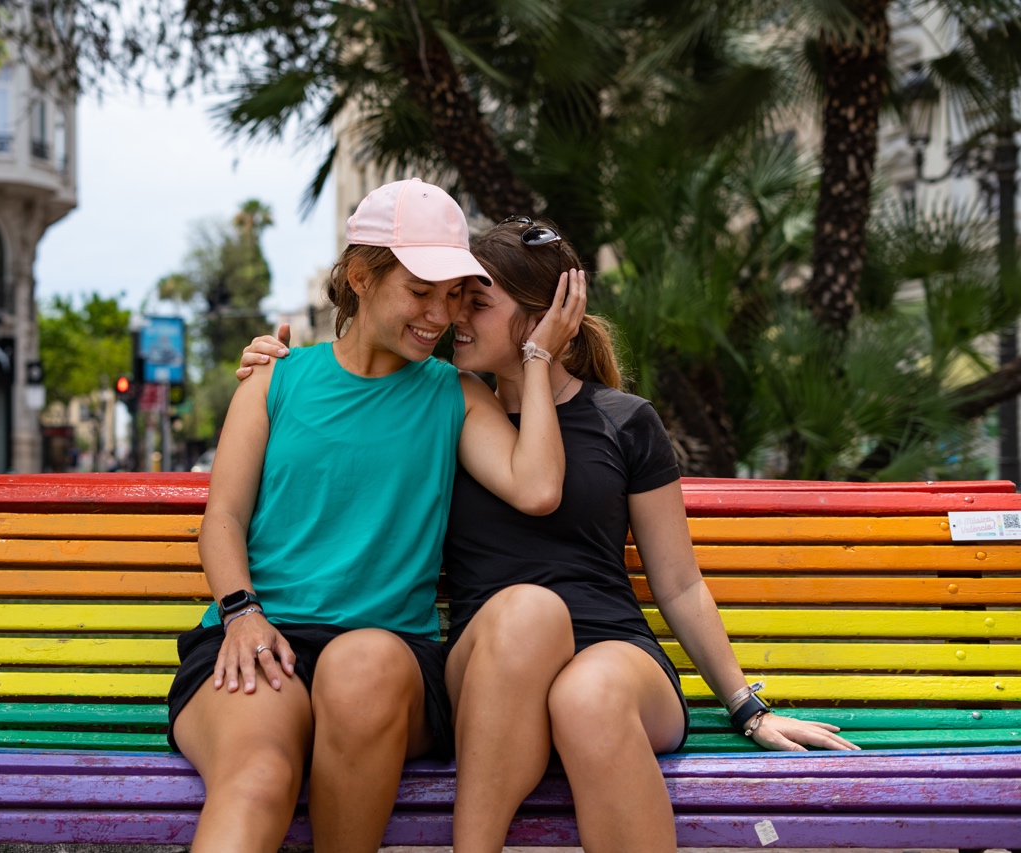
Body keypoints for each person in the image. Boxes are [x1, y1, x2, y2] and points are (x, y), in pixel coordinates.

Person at [239, 215, 858, 852]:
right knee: (527, 612)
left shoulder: (625, 421)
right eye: (453, 299)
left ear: (544, 315)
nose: (455, 319)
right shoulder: (444, 405)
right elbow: (344, 417)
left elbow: (678, 583)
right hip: (486, 667)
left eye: (475, 303)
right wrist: (275, 367)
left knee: (585, 693)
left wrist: (747, 707)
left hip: (615, 655)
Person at [169, 178, 586, 853]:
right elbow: (222, 519)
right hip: (260, 636)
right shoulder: (276, 381)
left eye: (453, 295)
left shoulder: (455, 393)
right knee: (258, 775)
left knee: (359, 667)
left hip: (389, 660)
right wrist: (241, 612)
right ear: (360, 278)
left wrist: (537, 357)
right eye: (420, 291)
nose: (440, 314)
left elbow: (537, 486)